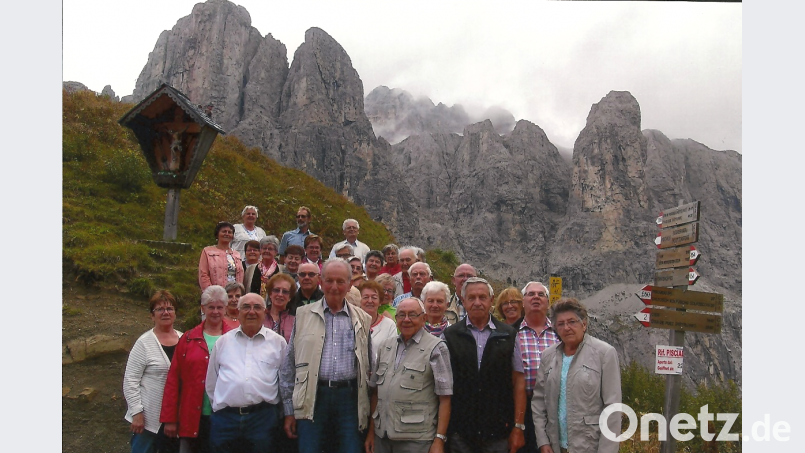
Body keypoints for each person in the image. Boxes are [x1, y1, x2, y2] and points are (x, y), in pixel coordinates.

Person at [279, 259, 373, 453]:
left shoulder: (363, 319)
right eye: (329, 280)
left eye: (341, 281)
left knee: (350, 449)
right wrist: (289, 411)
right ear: (321, 281)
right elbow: (289, 365)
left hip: (349, 399)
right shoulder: (303, 315)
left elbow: (369, 365)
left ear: (349, 284)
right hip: (313, 396)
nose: (334, 287)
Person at [443, 277, 526, 453]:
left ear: (491, 300)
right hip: (460, 431)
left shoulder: (508, 334)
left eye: (482, 297)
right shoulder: (450, 335)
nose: (477, 302)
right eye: (471, 298)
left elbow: (518, 380)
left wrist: (518, 426)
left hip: (498, 431)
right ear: (463, 301)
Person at [532, 298, 621, 453]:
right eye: (561, 324)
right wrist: (543, 441)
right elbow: (539, 402)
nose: (567, 328)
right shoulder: (548, 356)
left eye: (572, 322)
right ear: (555, 328)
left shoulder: (604, 353)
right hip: (555, 447)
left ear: (584, 324)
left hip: (589, 446)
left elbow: (612, 408)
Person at [365, 297, 452, 453]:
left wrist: (439, 439)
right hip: (382, 437)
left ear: (424, 318)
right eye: (401, 315)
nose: (406, 320)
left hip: (416, 440)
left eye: (412, 315)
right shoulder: (385, 346)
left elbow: (445, 398)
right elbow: (375, 394)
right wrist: (371, 432)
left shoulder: (436, 348)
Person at [205, 293, 287, 453]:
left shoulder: (278, 343)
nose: (251, 312)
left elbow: (284, 382)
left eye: (257, 307)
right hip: (226, 419)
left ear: (265, 312)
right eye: (246, 307)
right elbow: (212, 382)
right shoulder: (223, 342)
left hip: (262, 418)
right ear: (238, 311)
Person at [161, 286, 235, 453]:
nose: (215, 312)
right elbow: (173, 380)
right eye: (211, 307)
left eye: (219, 307)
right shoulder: (188, 339)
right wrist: (170, 419)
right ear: (203, 308)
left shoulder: (236, 337)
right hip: (193, 416)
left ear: (225, 308)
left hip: (226, 417)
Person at [123, 290, 182, 453]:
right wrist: (137, 412)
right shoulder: (144, 343)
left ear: (175, 313)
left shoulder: (184, 340)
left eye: (169, 309)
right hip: (148, 420)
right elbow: (130, 380)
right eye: (160, 309)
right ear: (152, 315)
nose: (165, 313)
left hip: (175, 418)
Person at [515, 282, 559, 453]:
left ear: (547, 302)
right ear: (523, 302)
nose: (536, 297)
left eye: (541, 294)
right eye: (530, 294)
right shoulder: (511, 333)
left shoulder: (560, 332)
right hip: (521, 406)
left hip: (554, 406)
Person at [358, 280, 397, 364]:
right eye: (365, 297)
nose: (370, 301)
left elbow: (392, 354)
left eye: (374, 297)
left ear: (380, 302)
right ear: (359, 300)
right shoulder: (353, 322)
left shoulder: (389, 325)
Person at [199, 222, 244, 291]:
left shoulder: (236, 254)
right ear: (217, 234)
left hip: (234, 294)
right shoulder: (207, 251)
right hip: (215, 294)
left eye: (230, 232)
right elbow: (203, 275)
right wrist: (211, 293)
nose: (227, 234)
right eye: (224, 231)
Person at [264, 273, 297, 343]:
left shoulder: (295, 321)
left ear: (290, 297)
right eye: (276, 290)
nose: (280, 294)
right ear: (270, 294)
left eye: (285, 292)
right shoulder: (260, 317)